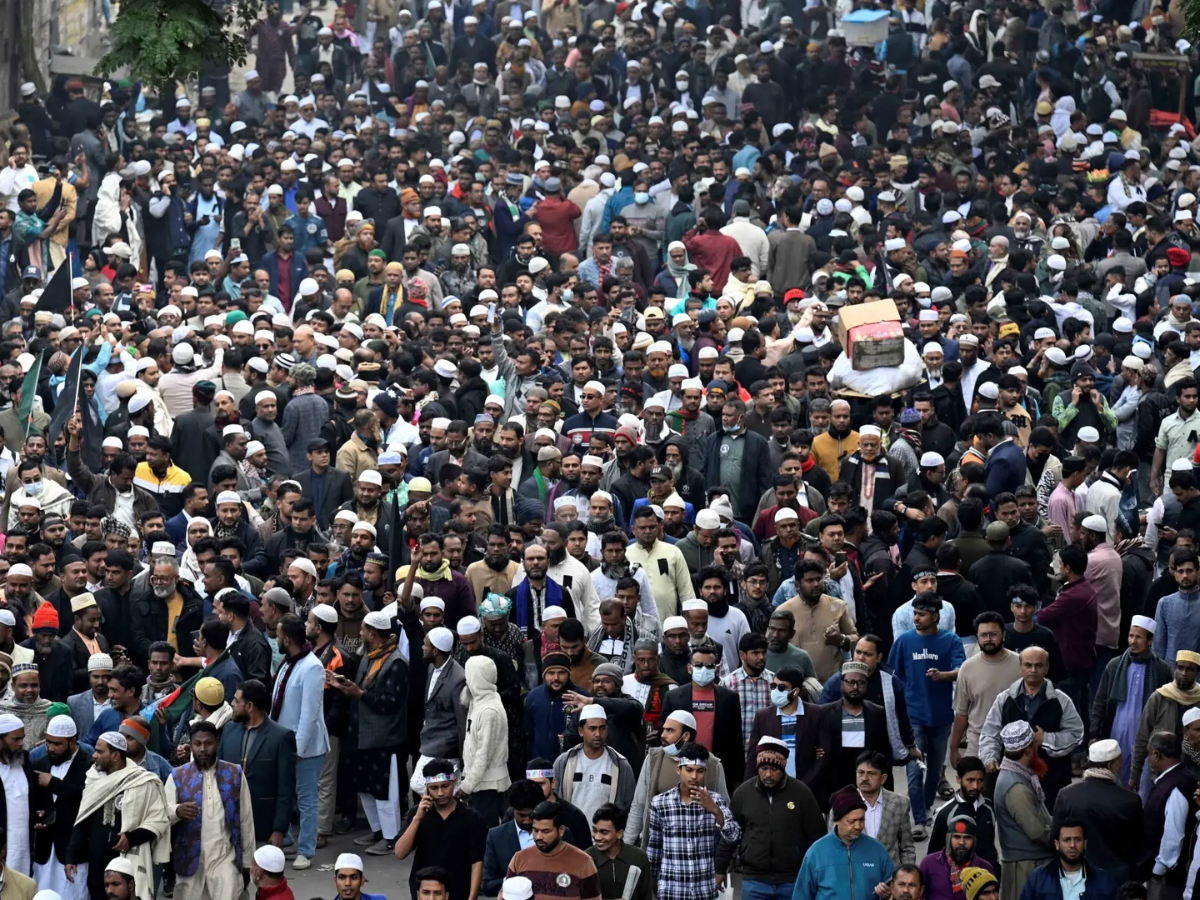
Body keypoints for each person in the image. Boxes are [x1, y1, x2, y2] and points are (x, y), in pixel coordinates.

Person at [887, 591, 965, 841]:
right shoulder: (904, 641)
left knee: (934, 770)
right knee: (914, 769)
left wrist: (943, 676)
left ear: (935, 616)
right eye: (915, 613)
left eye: (921, 614)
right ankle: (919, 820)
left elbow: (962, 670)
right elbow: (892, 675)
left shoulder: (951, 640)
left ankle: (927, 806)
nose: (916, 618)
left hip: (942, 716)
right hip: (913, 716)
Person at [717, 736, 824, 900]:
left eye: (774, 769)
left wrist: (818, 873)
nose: (768, 774)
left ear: (783, 767)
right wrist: (720, 869)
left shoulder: (801, 793)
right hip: (754, 880)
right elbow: (730, 834)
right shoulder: (743, 793)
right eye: (764, 768)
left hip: (792, 880)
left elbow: (817, 836)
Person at [67, 731, 170, 900]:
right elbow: (83, 818)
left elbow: (158, 819)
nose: (94, 755)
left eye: (100, 751)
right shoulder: (93, 778)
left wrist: (131, 837)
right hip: (97, 861)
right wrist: (71, 856)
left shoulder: (141, 780)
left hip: (128, 861)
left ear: (115, 756)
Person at [978, 646, 1084, 808]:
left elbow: (1076, 734)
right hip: (1011, 780)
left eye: (1039, 665)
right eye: (1028, 665)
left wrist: (1046, 739)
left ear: (1047, 668)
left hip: (1052, 780)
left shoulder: (1061, 700)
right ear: (1020, 667)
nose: (1033, 670)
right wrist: (990, 757)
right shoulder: (1005, 699)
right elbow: (990, 733)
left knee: (1048, 822)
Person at [163, 721, 256, 900]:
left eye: (208, 743)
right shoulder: (177, 775)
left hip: (225, 855)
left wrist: (247, 862)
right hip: (190, 858)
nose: (203, 749)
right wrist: (177, 811)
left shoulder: (234, 773)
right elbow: (161, 814)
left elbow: (246, 819)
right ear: (191, 745)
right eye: (197, 744)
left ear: (217, 743)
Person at [269, 613, 328, 869]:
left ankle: (306, 850)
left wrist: (298, 750)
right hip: (284, 742)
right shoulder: (289, 662)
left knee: (306, 799)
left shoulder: (312, 667)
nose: (276, 639)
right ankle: (287, 838)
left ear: (288, 640)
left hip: (306, 748)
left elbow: (309, 715)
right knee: (282, 793)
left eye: (278, 635)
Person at [645, 742, 740, 900]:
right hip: (671, 891)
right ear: (679, 770)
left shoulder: (715, 800)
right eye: (689, 770)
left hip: (703, 890)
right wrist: (651, 886)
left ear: (705, 772)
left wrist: (715, 810)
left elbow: (734, 836)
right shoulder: (660, 803)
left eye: (699, 771)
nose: (694, 776)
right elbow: (654, 849)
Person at [1092, 615, 1172, 784]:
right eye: (1131, 636)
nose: (1133, 641)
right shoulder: (1115, 665)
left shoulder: (1161, 669)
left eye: (1139, 637)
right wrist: (1094, 732)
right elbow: (1100, 701)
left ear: (1150, 641)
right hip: (1116, 731)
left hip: (1145, 734)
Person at [218, 680, 297, 850]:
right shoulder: (229, 730)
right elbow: (219, 774)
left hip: (263, 828)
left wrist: (279, 829)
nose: (232, 704)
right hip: (229, 824)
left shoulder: (281, 737)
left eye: (236, 700)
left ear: (249, 706)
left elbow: (286, 789)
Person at [1051, 739, 1142, 885]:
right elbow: (1138, 847)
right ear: (1111, 765)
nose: (1122, 765)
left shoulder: (1067, 796)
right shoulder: (1130, 800)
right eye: (1120, 761)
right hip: (1117, 880)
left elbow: (1054, 838)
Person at [395, 759, 487, 900]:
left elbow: (477, 862)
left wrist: (472, 897)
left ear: (454, 782)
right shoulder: (417, 814)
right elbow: (400, 853)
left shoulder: (471, 817)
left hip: (458, 889)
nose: (440, 793)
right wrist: (417, 818)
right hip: (425, 890)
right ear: (426, 788)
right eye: (434, 788)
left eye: (445, 786)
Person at [660, 641, 744, 787]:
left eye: (709, 666)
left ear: (716, 669)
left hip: (718, 768)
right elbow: (664, 734)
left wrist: (738, 777)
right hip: (682, 767)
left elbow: (736, 740)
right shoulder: (673, 697)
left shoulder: (729, 698)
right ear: (689, 668)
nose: (703, 669)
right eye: (698, 665)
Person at [792, 785, 895, 900]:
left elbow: (894, 889)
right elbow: (801, 895)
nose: (858, 826)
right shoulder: (816, 852)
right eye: (852, 821)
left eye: (861, 819)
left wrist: (889, 895)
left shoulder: (877, 849)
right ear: (837, 820)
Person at [32, 715, 92, 900]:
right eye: (48, 742)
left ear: (72, 742)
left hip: (72, 850)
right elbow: (34, 801)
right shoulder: (40, 763)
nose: (51, 748)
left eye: (57, 744)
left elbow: (87, 798)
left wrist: (54, 784)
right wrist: (38, 817)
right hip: (45, 849)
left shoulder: (90, 766)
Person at [991, 721, 1053, 900]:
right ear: (1028, 751)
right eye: (1035, 744)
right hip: (1025, 867)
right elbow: (1037, 831)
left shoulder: (1020, 775)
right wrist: (1062, 839)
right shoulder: (1016, 787)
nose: (1038, 747)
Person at [503, 800, 601, 900]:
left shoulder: (583, 862)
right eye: (535, 830)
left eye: (546, 831)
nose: (539, 837)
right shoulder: (519, 859)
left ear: (561, 830)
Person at [1131, 651, 1200, 791]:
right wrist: (1135, 774)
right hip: (1161, 769)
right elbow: (1142, 737)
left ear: (1197, 673)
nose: (1184, 673)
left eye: (1189, 669)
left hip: (1193, 771)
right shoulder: (1159, 697)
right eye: (1180, 668)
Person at [1143, 730, 1198, 896]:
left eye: (1149, 755)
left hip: (1167, 878)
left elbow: (1173, 836)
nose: (1148, 760)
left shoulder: (1175, 786)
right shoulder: (1175, 778)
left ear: (1157, 754)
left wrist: (1158, 869)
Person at [1018, 819, 1119, 900]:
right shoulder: (1038, 878)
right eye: (1066, 840)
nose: (1072, 845)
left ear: (1085, 844)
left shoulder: (1103, 880)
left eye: (1077, 840)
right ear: (1057, 844)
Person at [928, 757, 997, 869]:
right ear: (958, 780)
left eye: (980, 780)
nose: (975, 786)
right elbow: (933, 855)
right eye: (970, 780)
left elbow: (990, 846)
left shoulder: (989, 808)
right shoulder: (945, 813)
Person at [854, 750, 915, 868]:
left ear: (883, 778)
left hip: (889, 875)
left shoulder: (899, 804)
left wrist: (906, 874)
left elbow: (907, 847)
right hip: (855, 875)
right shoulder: (842, 804)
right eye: (860, 772)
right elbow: (833, 847)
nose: (864, 778)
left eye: (871, 774)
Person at [585, 804, 653, 900]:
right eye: (595, 831)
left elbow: (647, 896)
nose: (597, 837)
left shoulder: (638, 857)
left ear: (619, 833)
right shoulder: (586, 859)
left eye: (604, 832)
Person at [918, 815, 995, 900]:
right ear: (949, 839)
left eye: (967, 837)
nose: (962, 842)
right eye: (957, 837)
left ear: (974, 841)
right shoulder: (929, 864)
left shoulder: (984, 868)